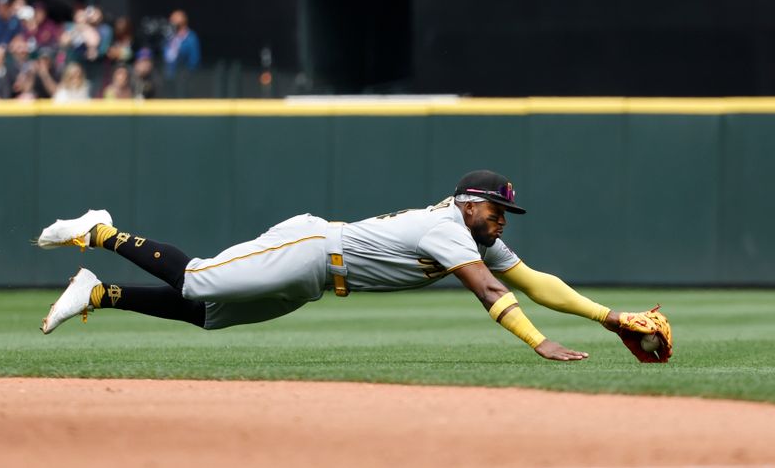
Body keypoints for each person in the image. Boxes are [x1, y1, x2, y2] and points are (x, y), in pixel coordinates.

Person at [35, 170, 673, 362]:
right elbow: (488, 293)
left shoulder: (475, 235)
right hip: (312, 247)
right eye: (498, 212)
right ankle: (101, 230)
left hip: (316, 280)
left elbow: (533, 282)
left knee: (209, 315)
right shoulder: (449, 226)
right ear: (471, 204)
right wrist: (538, 340)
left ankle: (100, 296)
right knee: (200, 278)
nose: (503, 222)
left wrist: (608, 317)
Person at [162, 9, 200, 79]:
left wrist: (188, 73)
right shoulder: (169, 36)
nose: (171, 19)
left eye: (175, 18)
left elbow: (194, 59)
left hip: (183, 76)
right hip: (168, 75)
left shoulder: (191, 37)